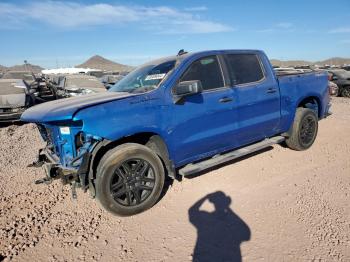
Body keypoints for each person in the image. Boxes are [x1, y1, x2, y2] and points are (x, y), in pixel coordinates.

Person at [189, 191, 251, 262]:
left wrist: (206, 197)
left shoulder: (206, 218)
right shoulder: (231, 220)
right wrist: (227, 208)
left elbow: (192, 211)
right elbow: (246, 234)